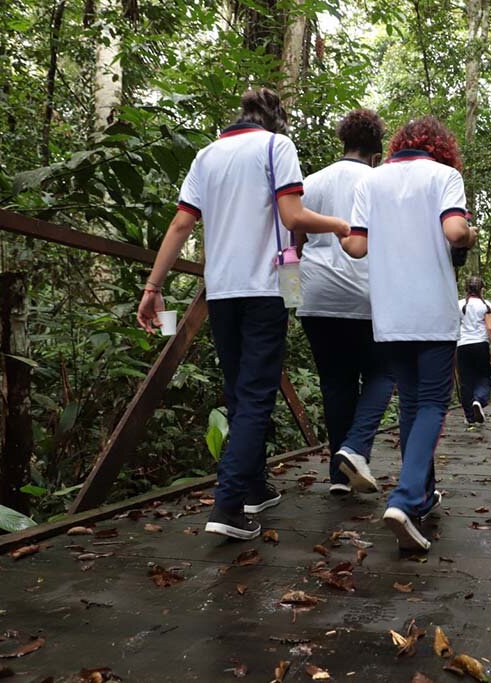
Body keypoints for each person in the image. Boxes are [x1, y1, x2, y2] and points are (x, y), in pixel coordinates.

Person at [136, 88, 349, 541]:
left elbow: (181, 224)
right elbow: (292, 217)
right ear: (276, 120)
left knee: (238, 390)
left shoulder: (206, 155)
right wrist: (338, 224)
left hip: (222, 291)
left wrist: (153, 287)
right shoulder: (277, 147)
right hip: (264, 288)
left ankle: (252, 486)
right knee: (255, 395)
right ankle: (229, 504)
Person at [341, 116, 476, 552]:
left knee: (413, 402)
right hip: (432, 310)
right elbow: (455, 231)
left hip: (390, 312)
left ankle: (419, 496)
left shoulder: (371, 183)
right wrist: (470, 233)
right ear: (440, 148)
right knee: (435, 403)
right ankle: (403, 497)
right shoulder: (444, 176)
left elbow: (356, 246)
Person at [297, 109, 394, 497]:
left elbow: (294, 244)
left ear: (344, 142)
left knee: (335, 385)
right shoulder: (381, 183)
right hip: (369, 296)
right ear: (377, 151)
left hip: (316, 296)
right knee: (385, 374)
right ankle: (355, 449)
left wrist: (292, 298)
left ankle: (340, 478)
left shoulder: (310, 182)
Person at [457, 276, 491, 425]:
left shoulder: (459, 304)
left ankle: (469, 416)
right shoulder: (486, 304)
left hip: (462, 345)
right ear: (481, 289)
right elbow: (490, 328)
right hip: (480, 345)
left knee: (466, 380)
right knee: (484, 376)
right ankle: (479, 401)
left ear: (466, 289)